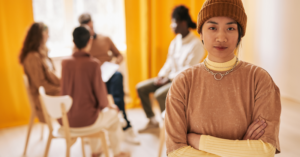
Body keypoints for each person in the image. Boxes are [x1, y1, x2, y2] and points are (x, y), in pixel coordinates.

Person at [165, 0, 281, 156]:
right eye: (212, 27)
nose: (221, 37)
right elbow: (175, 151)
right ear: (201, 33)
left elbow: (265, 150)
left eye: (230, 28)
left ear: (240, 33)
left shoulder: (260, 79)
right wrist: (241, 150)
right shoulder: (183, 82)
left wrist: (199, 141)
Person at [60, 26, 130, 157]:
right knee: (112, 114)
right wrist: (111, 107)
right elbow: (102, 100)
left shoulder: (65, 63)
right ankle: (117, 153)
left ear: (73, 42)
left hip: (67, 119)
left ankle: (96, 151)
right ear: (90, 41)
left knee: (92, 111)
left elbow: (63, 91)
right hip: (87, 121)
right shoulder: (93, 64)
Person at [136, 5, 205, 133]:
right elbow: (169, 62)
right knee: (141, 88)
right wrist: (161, 75)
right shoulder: (175, 41)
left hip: (184, 81)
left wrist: (168, 78)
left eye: (174, 22)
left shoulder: (196, 44)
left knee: (160, 95)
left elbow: (188, 70)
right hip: (168, 78)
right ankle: (152, 120)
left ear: (183, 23)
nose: (171, 26)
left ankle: (170, 127)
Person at [78, 13, 139, 144]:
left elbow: (119, 55)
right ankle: (93, 127)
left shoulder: (105, 39)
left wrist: (114, 65)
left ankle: (123, 121)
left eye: (92, 27)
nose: (91, 31)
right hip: (92, 78)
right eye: (88, 29)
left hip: (109, 74)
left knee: (118, 77)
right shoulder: (81, 46)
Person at [20, 22, 60, 123]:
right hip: (44, 98)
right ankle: (77, 129)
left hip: (50, 92)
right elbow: (41, 85)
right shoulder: (33, 57)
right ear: (39, 36)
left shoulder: (43, 53)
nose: (48, 36)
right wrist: (61, 88)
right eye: (46, 33)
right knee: (74, 97)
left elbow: (52, 76)